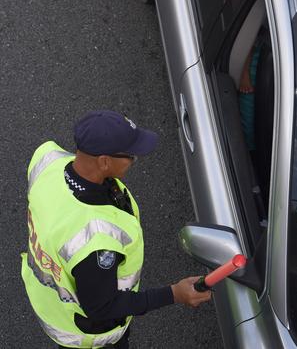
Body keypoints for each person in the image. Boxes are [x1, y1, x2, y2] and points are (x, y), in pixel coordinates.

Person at [21, 110, 212, 348]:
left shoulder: (47, 160)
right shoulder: (96, 239)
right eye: (130, 156)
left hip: (51, 301)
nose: (133, 160)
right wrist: (175, 294)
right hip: (87, 334)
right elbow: (102, 308)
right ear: (104, 161)